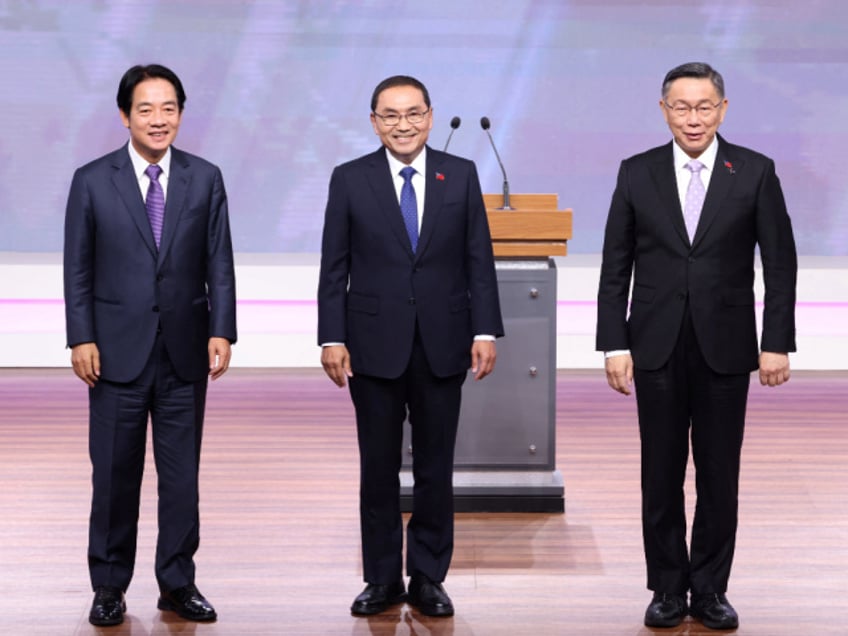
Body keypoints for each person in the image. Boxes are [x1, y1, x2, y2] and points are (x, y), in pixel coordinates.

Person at [596, 62, 797, 630]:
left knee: (717, 474)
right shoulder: (636, 173)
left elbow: (780, 264)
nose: (693, 118)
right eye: (681, 107)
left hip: (728, 347)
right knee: (659, 473)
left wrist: (776, 341)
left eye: (704, 106)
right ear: (663, 110)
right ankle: (666, 587)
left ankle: (709, 589)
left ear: (723, 109)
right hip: (654, 345)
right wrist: (614, 342)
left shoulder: (754, 171)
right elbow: (616, 267)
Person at [317, 75, 504, 618]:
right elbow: (335, 266)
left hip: (443, 343)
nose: (404, 124)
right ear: (374, 121)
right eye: (391, 115)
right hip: (372, 345)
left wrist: (484, 330)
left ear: (430, 115)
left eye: (414, 113)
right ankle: (381, 579)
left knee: (434, 466)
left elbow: (478, 260)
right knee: (376, 467)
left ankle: (427, 576)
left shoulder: (460, 176)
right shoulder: (350, 179)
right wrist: (332, 336)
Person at [63, 64, 236, 626]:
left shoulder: (205, 177)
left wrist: (221, 328)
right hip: (114, 353)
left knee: (182, 476)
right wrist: (81, 336)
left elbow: (219, 262)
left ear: (181, 114)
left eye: (169, 109)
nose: (159, 119)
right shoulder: (92, 179)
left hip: (185, 350)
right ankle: (109, 586)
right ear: (124, 115)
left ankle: (177, 583)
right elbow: (79, 270)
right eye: (146, 109)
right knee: (114, 474)